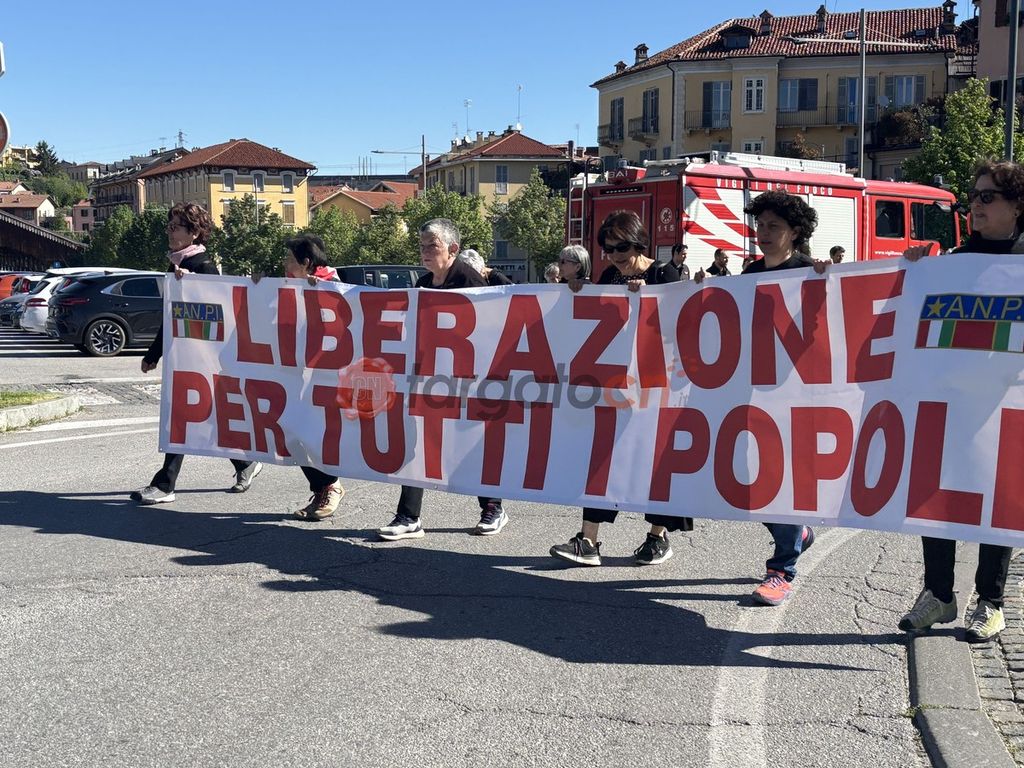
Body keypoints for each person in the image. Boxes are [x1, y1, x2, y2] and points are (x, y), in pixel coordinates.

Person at [897, 158, 1022, 642]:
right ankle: (938, 594)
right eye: (973, 197)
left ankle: (991, 602)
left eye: (988, 197)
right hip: (948, 404)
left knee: (1000, 498)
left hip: (1007, 406)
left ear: (1017, 205)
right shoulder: (950, 263)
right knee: (937, 495)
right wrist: (910, 272)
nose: (976, 205)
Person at [696, 191, 824, 604]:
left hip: (794, 394)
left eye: (774, 227)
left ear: (795, 232)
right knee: (746, 480)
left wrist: (828, 283)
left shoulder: (809, 272)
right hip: (751, 391)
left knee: (779, 481)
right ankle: (798, 534)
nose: (763, 233)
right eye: (760, 225)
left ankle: (782, 570)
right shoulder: (750, 273)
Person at [550, 210, 691, 566]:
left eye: (621, 248)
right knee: (602, 456)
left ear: (639, 243)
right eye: (608, 249)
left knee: (657, 462)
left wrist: (650, 299)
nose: (615, 256)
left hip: (659, 385)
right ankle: (588, 540)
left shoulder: (663, 274)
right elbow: (596, 318)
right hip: (616, 384)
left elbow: (682, 325)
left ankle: (657, 537)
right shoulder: (610, 276)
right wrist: (580, 291)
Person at [378, 219, 508, 541]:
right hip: (430, 380)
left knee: (471, 444)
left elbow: (496, 323)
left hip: (468, 382)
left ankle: (493, 507)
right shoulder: (423, 283)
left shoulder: (470, 281)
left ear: (453, 249)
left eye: (431, 246)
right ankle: (409, 517)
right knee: (418, 443)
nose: (424, 251)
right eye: (421, 246)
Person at [130, 203, 263, 505]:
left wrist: (190, 286)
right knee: (201, 416)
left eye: (176, 227)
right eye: (169, 226)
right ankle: (244, 462)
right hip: (183, 358)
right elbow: (172, 318)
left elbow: (219, 316)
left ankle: (165, 485)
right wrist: (154, 354)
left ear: (194, 232)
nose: (170, 232)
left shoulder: (204, 267)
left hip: (205, 360)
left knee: (183, 417)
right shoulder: (176, 264)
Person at [281, 233, 346, 521]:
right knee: (290, 432)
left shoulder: (334, 286)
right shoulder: (289, 286)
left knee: (313, 434)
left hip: (325, 376)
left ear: (306, 263)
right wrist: (256, 287)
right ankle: (323, 487)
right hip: (296, 373)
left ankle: (329, 486)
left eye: (289, 258)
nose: (284, 263)